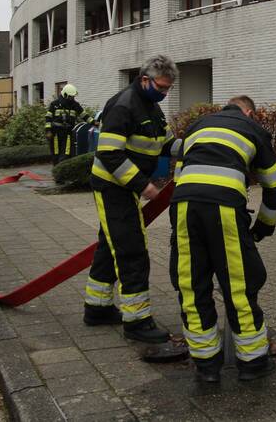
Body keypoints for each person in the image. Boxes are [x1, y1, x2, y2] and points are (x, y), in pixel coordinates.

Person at [169, 95, 276, 383]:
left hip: (184, 206)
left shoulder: (198, 125)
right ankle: (252, 363)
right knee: (238, 284)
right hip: (225, 208)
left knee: (191, 284)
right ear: (249, 113)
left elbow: (179, 175)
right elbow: (275, 183)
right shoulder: (253, 128)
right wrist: (263, 227)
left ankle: (206, 365)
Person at [83, 55, 180, 343]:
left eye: (168, 88)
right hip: (113, 186)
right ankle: (137, 321)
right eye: (161, 87)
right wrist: (143, 185)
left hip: (124, 187)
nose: (164, 93)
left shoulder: (151, 106)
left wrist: (196, 148)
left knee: (110, 246)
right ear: (145, 79)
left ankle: (97, 308)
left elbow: (167, 143)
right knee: (132, 250)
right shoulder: (123, 106)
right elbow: (109, 153)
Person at [45, 84, 86, 165]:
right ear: (65, 95)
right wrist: (48, 131)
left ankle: (62, 170)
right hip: (55, 133)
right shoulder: (55, 104)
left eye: (73, 96)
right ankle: (56, 170)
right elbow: (48, 118)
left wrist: (94, 122)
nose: (73, 98)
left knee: (66, 154)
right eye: (71, 96)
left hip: (68, 133)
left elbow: (84, 115)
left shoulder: (75, 105)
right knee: (56, 154)